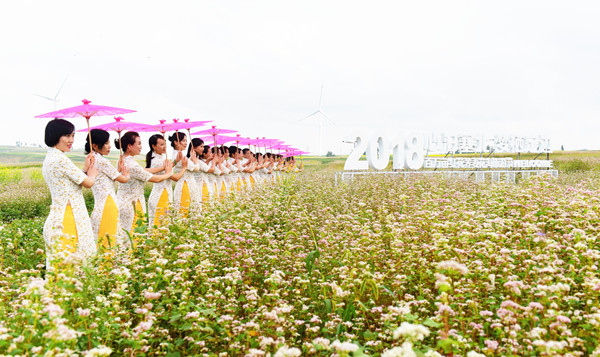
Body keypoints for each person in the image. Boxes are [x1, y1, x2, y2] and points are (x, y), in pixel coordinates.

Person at [42, 119, 98, 270]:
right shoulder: (61, 159)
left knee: (62, 267)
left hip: (58, 216)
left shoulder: (50, 157)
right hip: (68, 217)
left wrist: (86, 170)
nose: (71, 140)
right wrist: (91, 174)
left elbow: (71, 181)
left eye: (73, 135)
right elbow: (88, 183)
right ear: (55, 135)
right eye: (67, 135)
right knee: (73, 267)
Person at [116, 131, 174, 240]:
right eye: (138, 144)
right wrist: (168, 173)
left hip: (125, 201)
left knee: (127, 236)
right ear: (129, 146)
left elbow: (143, 171)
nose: (141, 147)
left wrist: (163, 168)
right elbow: (155, 179)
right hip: (131, 204)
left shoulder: (123, 161)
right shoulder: (131, 164)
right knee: (133, 237)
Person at [84, 129, 130, 255]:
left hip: (100, 204)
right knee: (110, 240)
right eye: (106, 143)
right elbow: (122, 180)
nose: (110, 146)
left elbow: (106, 179)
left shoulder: (91, 159)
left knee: (102, 239)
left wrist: (117, 171)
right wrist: (125, 173)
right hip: (108, 204)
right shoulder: (102, 161)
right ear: (95, 146)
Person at [146, 134, 188, 228]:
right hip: (161, 195)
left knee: (159, 226)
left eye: (165, 144)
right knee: (160, 227)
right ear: (153, 146)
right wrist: (184, 168)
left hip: (162, 194)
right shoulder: (159, 160)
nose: (165, 147)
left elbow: (165, 168)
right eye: (161, 145)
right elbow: (176, 178)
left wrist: (176, 162)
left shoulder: (158, 158)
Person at [169, 132, 201, 216]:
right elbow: (195, 168)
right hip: (186, 185)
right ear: (176, 142)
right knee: (187, 210)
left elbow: (189, 166)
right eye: (183, 141)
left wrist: (191, 158)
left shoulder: (176, 154)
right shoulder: (180, 155)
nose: (186, 143)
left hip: (185, 184)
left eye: (186, 141)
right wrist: (196, 162)